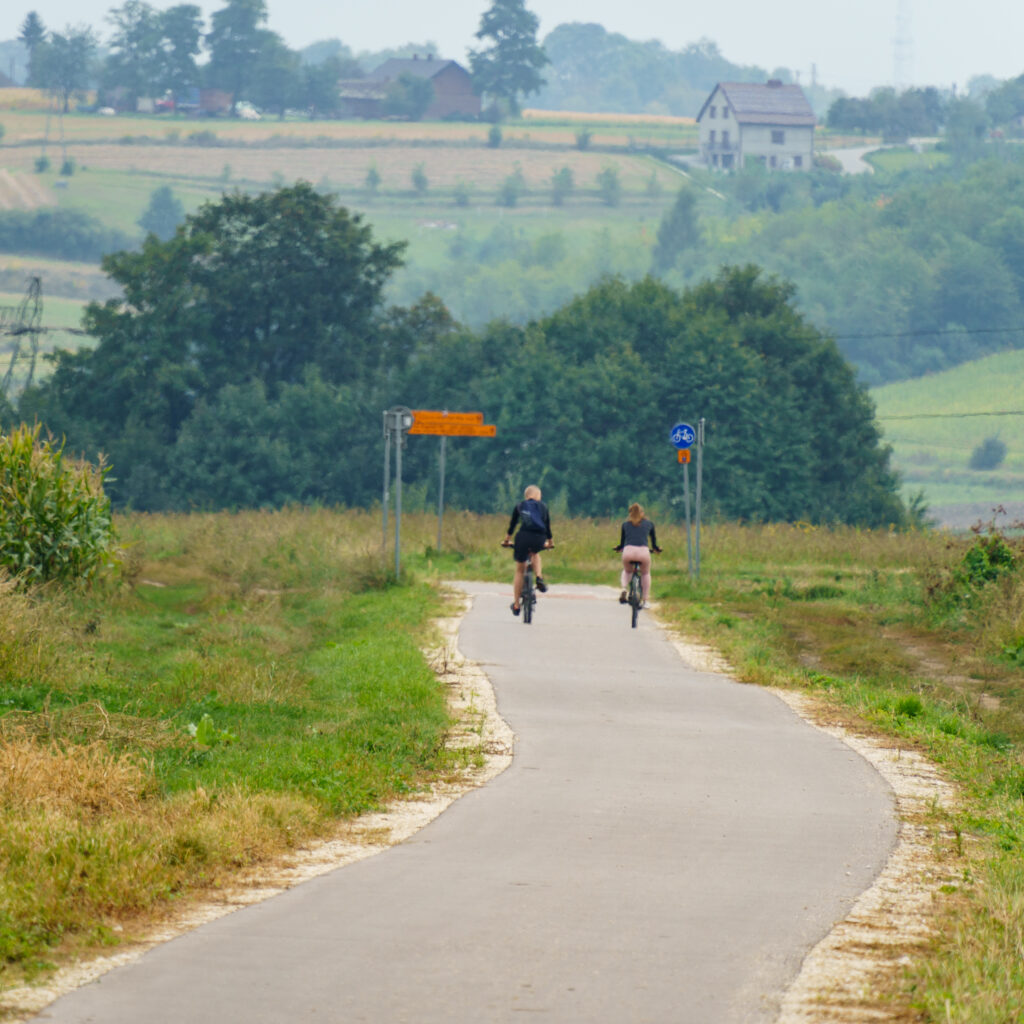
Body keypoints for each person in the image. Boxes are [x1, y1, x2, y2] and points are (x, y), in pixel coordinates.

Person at [503, 485, 553, 616]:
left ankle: (516, 605)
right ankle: (539, 577)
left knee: (520, 570)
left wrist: (507, 540)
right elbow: (547, 527)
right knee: (535, 554)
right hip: (539, 538)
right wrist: (550, 543)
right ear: (536, 495)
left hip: (523, 537)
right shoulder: (543, 507)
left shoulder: (520, 506)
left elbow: (512, 525)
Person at [614, 503, 662, 605]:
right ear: (642, 513)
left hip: (628, 552)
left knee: (627, 572)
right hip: (643, 553)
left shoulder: (625, 525)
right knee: (645, 573)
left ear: (630, 514)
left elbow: (622, 543)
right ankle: (645, 600)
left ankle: (623, 589)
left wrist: (618, 549)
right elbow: (654, 544)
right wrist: (657, 549)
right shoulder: (649, 524)